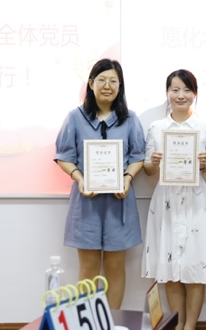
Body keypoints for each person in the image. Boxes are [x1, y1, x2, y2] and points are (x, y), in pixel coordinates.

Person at [141, 69, 206, 330]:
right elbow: (147, 169)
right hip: (166, 201)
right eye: (175, 89)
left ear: (194, 94)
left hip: (196, 202)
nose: (180, 95)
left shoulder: (205, 128)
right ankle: (176, 328)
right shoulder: (156, 128)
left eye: (186, 90)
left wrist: (205, 163)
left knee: (194, 270)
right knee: (170, 271)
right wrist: (152, 162)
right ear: (167, 93)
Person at [54, 58, 146, 309]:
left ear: (120, 86)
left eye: (113, 81)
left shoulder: (130, 119)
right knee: (88, 268)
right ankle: (88, 327)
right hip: (86, 202)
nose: (107, 86)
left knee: (115, 268)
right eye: (102, 80)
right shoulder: (75, 117)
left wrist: (127, 178)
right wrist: (80, 178)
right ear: (91, 83)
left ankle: (113, 323)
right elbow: (64, 156)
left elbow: (138, 156)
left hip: (119, 201)